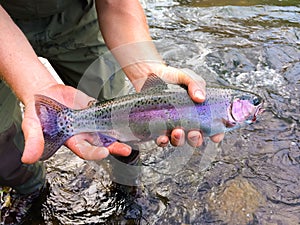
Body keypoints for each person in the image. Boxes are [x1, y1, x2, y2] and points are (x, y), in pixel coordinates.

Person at [0, 0, 224, 222]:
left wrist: (146, 68)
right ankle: (31, 190)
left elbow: (117, 3)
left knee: (125, 119)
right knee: (3, 141)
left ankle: (127, 184)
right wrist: (36, 86)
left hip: (75, 16)